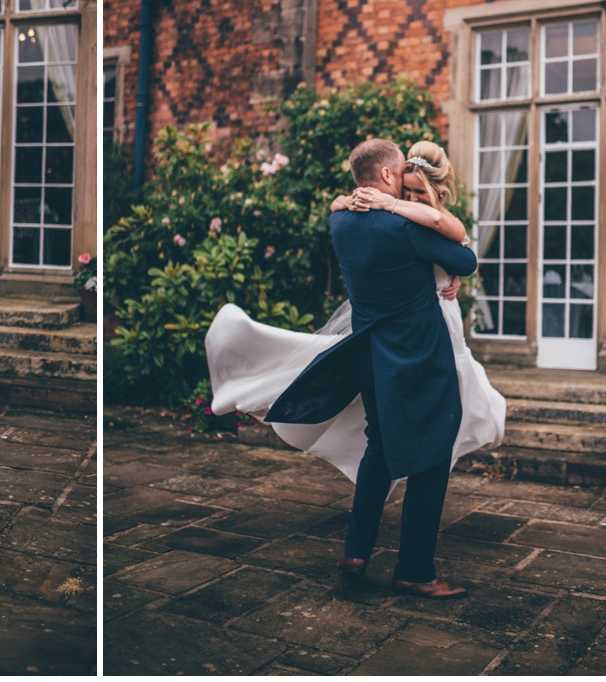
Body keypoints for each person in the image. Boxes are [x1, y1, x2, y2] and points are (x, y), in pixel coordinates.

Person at [207, 139, 499, 599]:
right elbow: (466, 258)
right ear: (386, 177)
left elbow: (352, 211)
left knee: (379, 449)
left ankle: (356, 553)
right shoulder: (402, 227)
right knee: (432, 458)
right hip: (422, 360)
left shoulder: (339, 220)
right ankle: (415, 571)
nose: (403, 188)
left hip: (371, 356)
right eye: (399, 174)